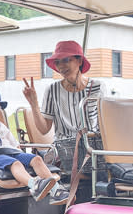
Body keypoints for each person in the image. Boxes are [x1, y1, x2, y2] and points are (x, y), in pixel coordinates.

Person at [23, 40, 105, 179]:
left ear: (79, 61)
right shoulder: (52, 90)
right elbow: (44, 129)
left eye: (66, 60)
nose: (61, 66)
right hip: (65, 149)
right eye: (57, 62)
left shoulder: (98, 86)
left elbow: (105, 123)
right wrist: (34, 103)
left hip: (93, 146)